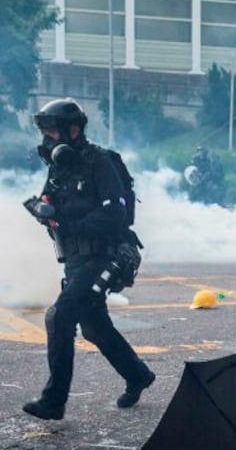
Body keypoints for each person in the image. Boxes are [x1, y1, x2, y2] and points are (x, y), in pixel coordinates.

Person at [21, 98, 155, 421]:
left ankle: (54, 401)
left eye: (52, 131)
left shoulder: (100, 162)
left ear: (73, 130)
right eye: (44, 132)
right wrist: (43, 210)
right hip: (75, 259)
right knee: (95, 327)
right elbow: (51, 202)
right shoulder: (59, 167)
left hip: (104, 256)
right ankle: (138, 375)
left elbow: (115, 215)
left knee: (59, 317)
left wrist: (69, 224)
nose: (47, 139)